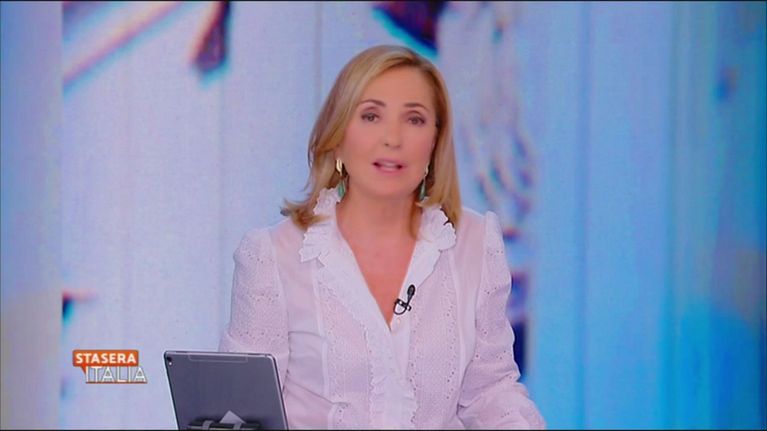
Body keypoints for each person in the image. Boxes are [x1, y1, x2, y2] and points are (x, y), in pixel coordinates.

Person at [219, 44, 545, 429]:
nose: (392, 138)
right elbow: (238, 412)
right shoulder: (273, 256)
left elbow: (490, 391)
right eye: (371, 116)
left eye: (415, 119)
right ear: (338, 137)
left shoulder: (475, 243)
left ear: (435, 143)